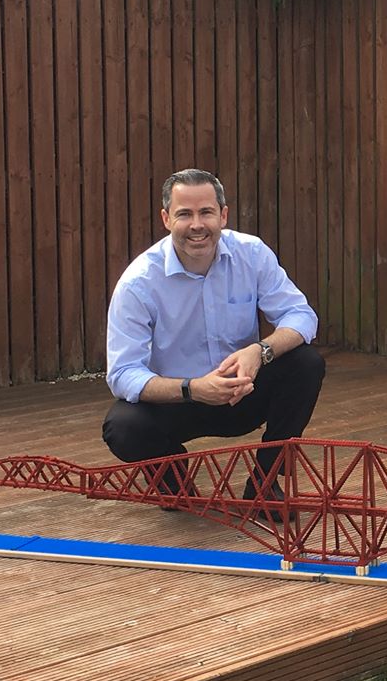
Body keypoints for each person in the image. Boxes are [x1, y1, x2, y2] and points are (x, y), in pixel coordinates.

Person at [102, 169, 325, 503]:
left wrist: (259, 351)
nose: (197, 225)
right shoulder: (138, 283)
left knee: (306, 363)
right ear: (166, 219)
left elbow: (302, 316)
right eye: (184, 214)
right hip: (179, 401)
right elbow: (122, 375)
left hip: (242, 391)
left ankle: (265, 484)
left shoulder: (252, 254)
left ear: (223, 215)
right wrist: (193, 388)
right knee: (122, 426)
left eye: (206, 212)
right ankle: (174, 483)